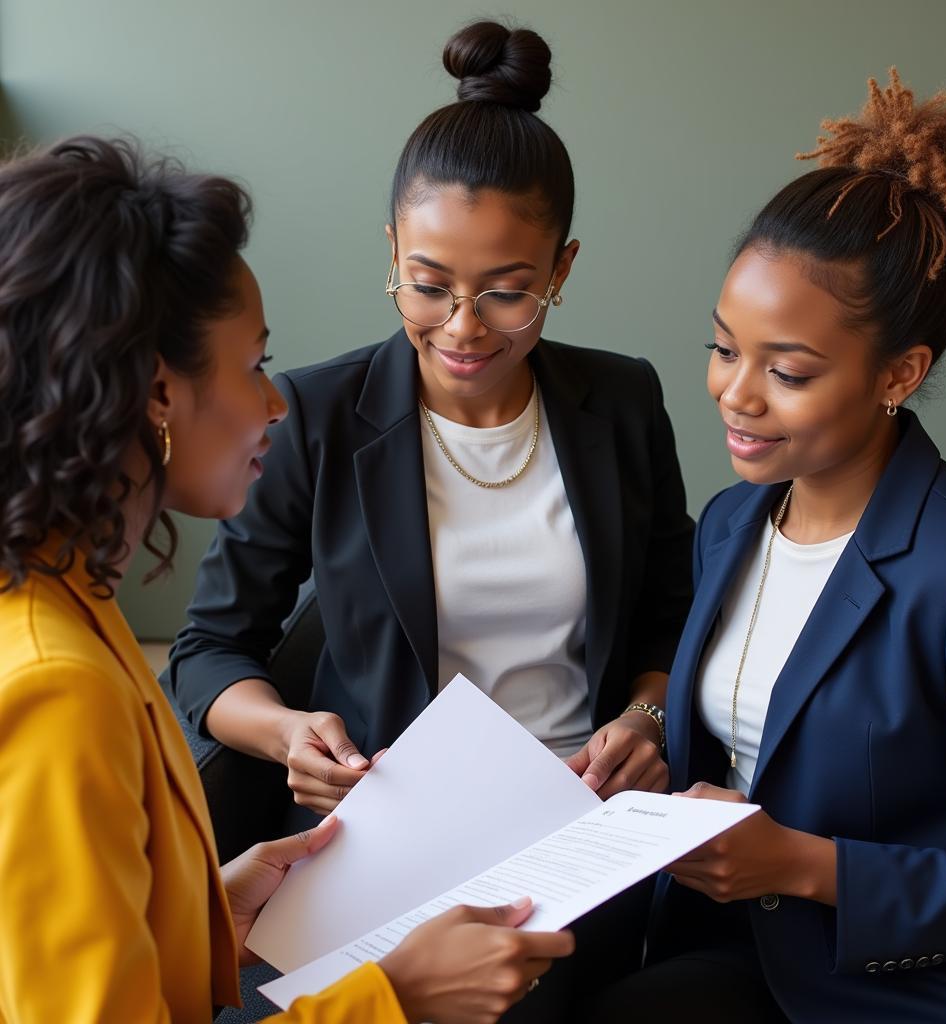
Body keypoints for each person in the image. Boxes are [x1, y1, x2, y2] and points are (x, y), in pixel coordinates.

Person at [167, 21, 693, 1020]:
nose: (463, 328)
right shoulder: (316, 414)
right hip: (379, 854)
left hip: (578, 843)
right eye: (430, 283)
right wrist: (287, 734)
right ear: (393, 254)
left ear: (562, 267)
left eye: (507, 292)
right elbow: (207, 649)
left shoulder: (621, 402)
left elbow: (674, 610)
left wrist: (644, 714)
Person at [0, 135, 575, 1024]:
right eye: (254, 364)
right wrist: (396, 996)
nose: (275, 403)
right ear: (159, 392)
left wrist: (209, 910)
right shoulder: (56, 686)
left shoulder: (71, 602)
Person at [591, 70, 946, 1022]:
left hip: (892, 990)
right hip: (728, 949)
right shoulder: (733, 523)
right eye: (722, 347)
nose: (736, 395)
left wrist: (798, 862)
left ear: (899, 374)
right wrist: (648, 734)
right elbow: (753, 736)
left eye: (786, 371)